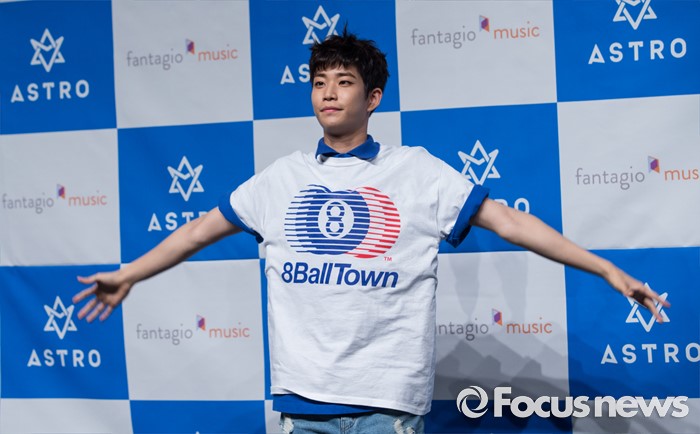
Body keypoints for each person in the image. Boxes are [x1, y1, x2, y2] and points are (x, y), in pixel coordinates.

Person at [73, 30, 669, 434]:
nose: (328, 92)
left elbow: (510, 222)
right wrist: (129, 274)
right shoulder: (281, 179)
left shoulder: (416, 172)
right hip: (303, 406)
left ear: (373, 96)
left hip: (387, 407)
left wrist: (606, 269)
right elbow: (198, 232)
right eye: (319, 81)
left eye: (344, 81)